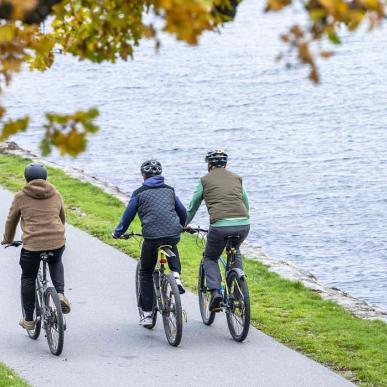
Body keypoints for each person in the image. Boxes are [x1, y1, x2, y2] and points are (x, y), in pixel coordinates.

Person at [112, 160, 187, 326]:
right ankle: (176, 275)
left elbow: (127, 217)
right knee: (171, 241)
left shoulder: (138, 193)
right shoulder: (170, 190)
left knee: (145, 272)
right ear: (160, 175)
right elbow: (182, 211)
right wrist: (183, 225)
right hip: (173, 234)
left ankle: (146, 314)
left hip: (152, 238)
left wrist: (118, 233)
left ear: (143, 175)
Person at [1, 163, 71, 331]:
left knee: (28, 277)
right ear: (45, 177)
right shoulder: (56, 193)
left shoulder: (20, 197)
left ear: (27, 179)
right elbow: (62, 217)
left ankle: (29, 320)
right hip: (56, 241)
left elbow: (11, 221)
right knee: (55, 261)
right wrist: (58, 234)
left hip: (32, 245)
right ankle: (60, 294)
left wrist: (8, 239)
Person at [186, 150, 250, 311]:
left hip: (220, 226)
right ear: (226, 165)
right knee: (235, 252)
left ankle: (215, 292)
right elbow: (245, 203)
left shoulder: (204, 180)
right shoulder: (237, 178)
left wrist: (183, 224)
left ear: (209, 165)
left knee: (210, 257)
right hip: (243, 224)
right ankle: (236, 290)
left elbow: (193, 207)